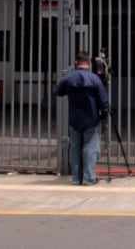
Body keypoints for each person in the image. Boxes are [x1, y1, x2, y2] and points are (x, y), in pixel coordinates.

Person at [54, 51, 109, 185]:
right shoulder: (94, 79)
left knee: (75, 147)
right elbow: (103, 100)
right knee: (90, 147)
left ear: (76, 63)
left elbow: (59, 92)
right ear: (89, 63)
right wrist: (104, 112)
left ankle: (76, 177)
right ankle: (89, 177)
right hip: (91, 118)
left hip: (75, 119)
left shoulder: (68, 78)